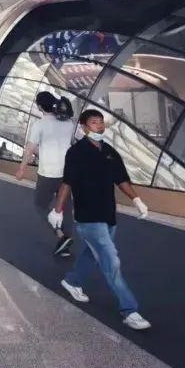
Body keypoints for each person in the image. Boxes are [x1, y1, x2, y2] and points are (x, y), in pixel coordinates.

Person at [49, 109, 152, 331]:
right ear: (84, 127)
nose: (99, 126)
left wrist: (136, 200)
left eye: (101, 122)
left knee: (92, 253)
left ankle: (72, 281)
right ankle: (130, 310)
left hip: (108, 215)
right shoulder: (76, 153)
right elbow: (67, 182)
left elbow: (121, 179)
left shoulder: (110, 152)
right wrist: (58, 211)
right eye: (94, 123)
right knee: (111, 262)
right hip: (88, 217)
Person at [17, 91, 78, 258]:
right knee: (66, 208)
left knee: (40, 205)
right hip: (67, 173)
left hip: (48, 173)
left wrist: (22, 168)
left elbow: (29, 149)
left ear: (39, 107)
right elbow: (69, 144)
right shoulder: (69, 123)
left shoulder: (39, 125)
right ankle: (66, 245)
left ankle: (61, 236)